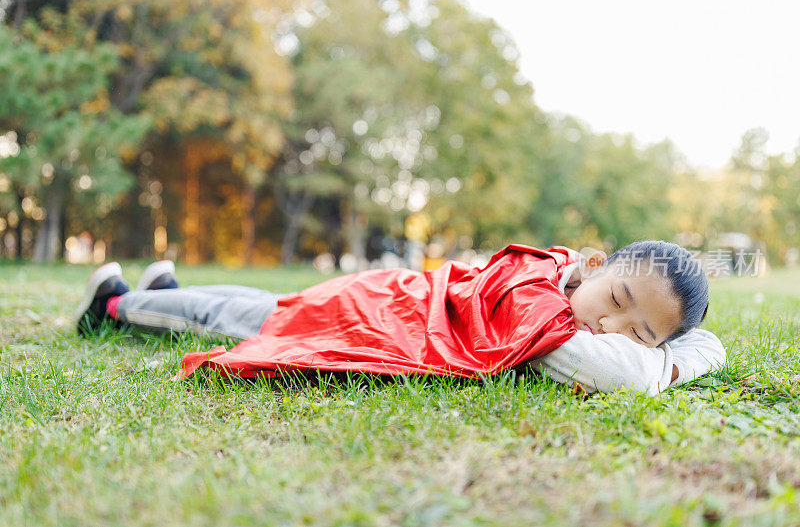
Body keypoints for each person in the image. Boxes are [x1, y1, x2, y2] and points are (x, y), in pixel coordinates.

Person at [74, 241, 726, 395]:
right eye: (614, 303)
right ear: (593, 266)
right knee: (240, 318)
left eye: (639, 333)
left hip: (380, 299)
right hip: (376, 313)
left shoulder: (550, 273)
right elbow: (623, 373)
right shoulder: (544, 314)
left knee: (264, 306)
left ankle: (163, 288)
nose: (612, 330)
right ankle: (116, 305)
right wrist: (673, 357)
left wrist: (680, 342)